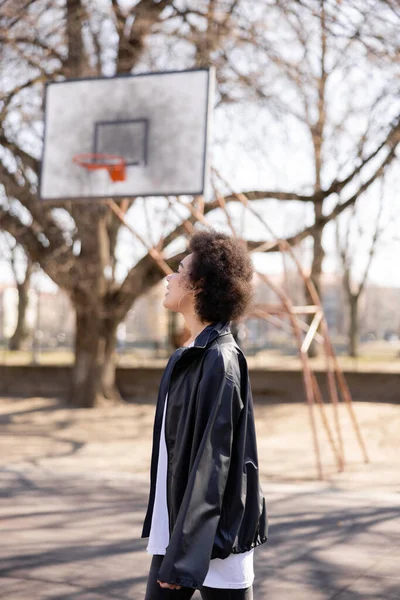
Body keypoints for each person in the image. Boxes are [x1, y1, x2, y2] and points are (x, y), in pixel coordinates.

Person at [141, 229, 268, 599]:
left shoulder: (221, 360)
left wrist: (184, 556)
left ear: (198, 285)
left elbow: (213, 466)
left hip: (212, 540)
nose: (168, 277)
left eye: (179, 270)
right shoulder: (188, 356)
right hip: (179, 532)